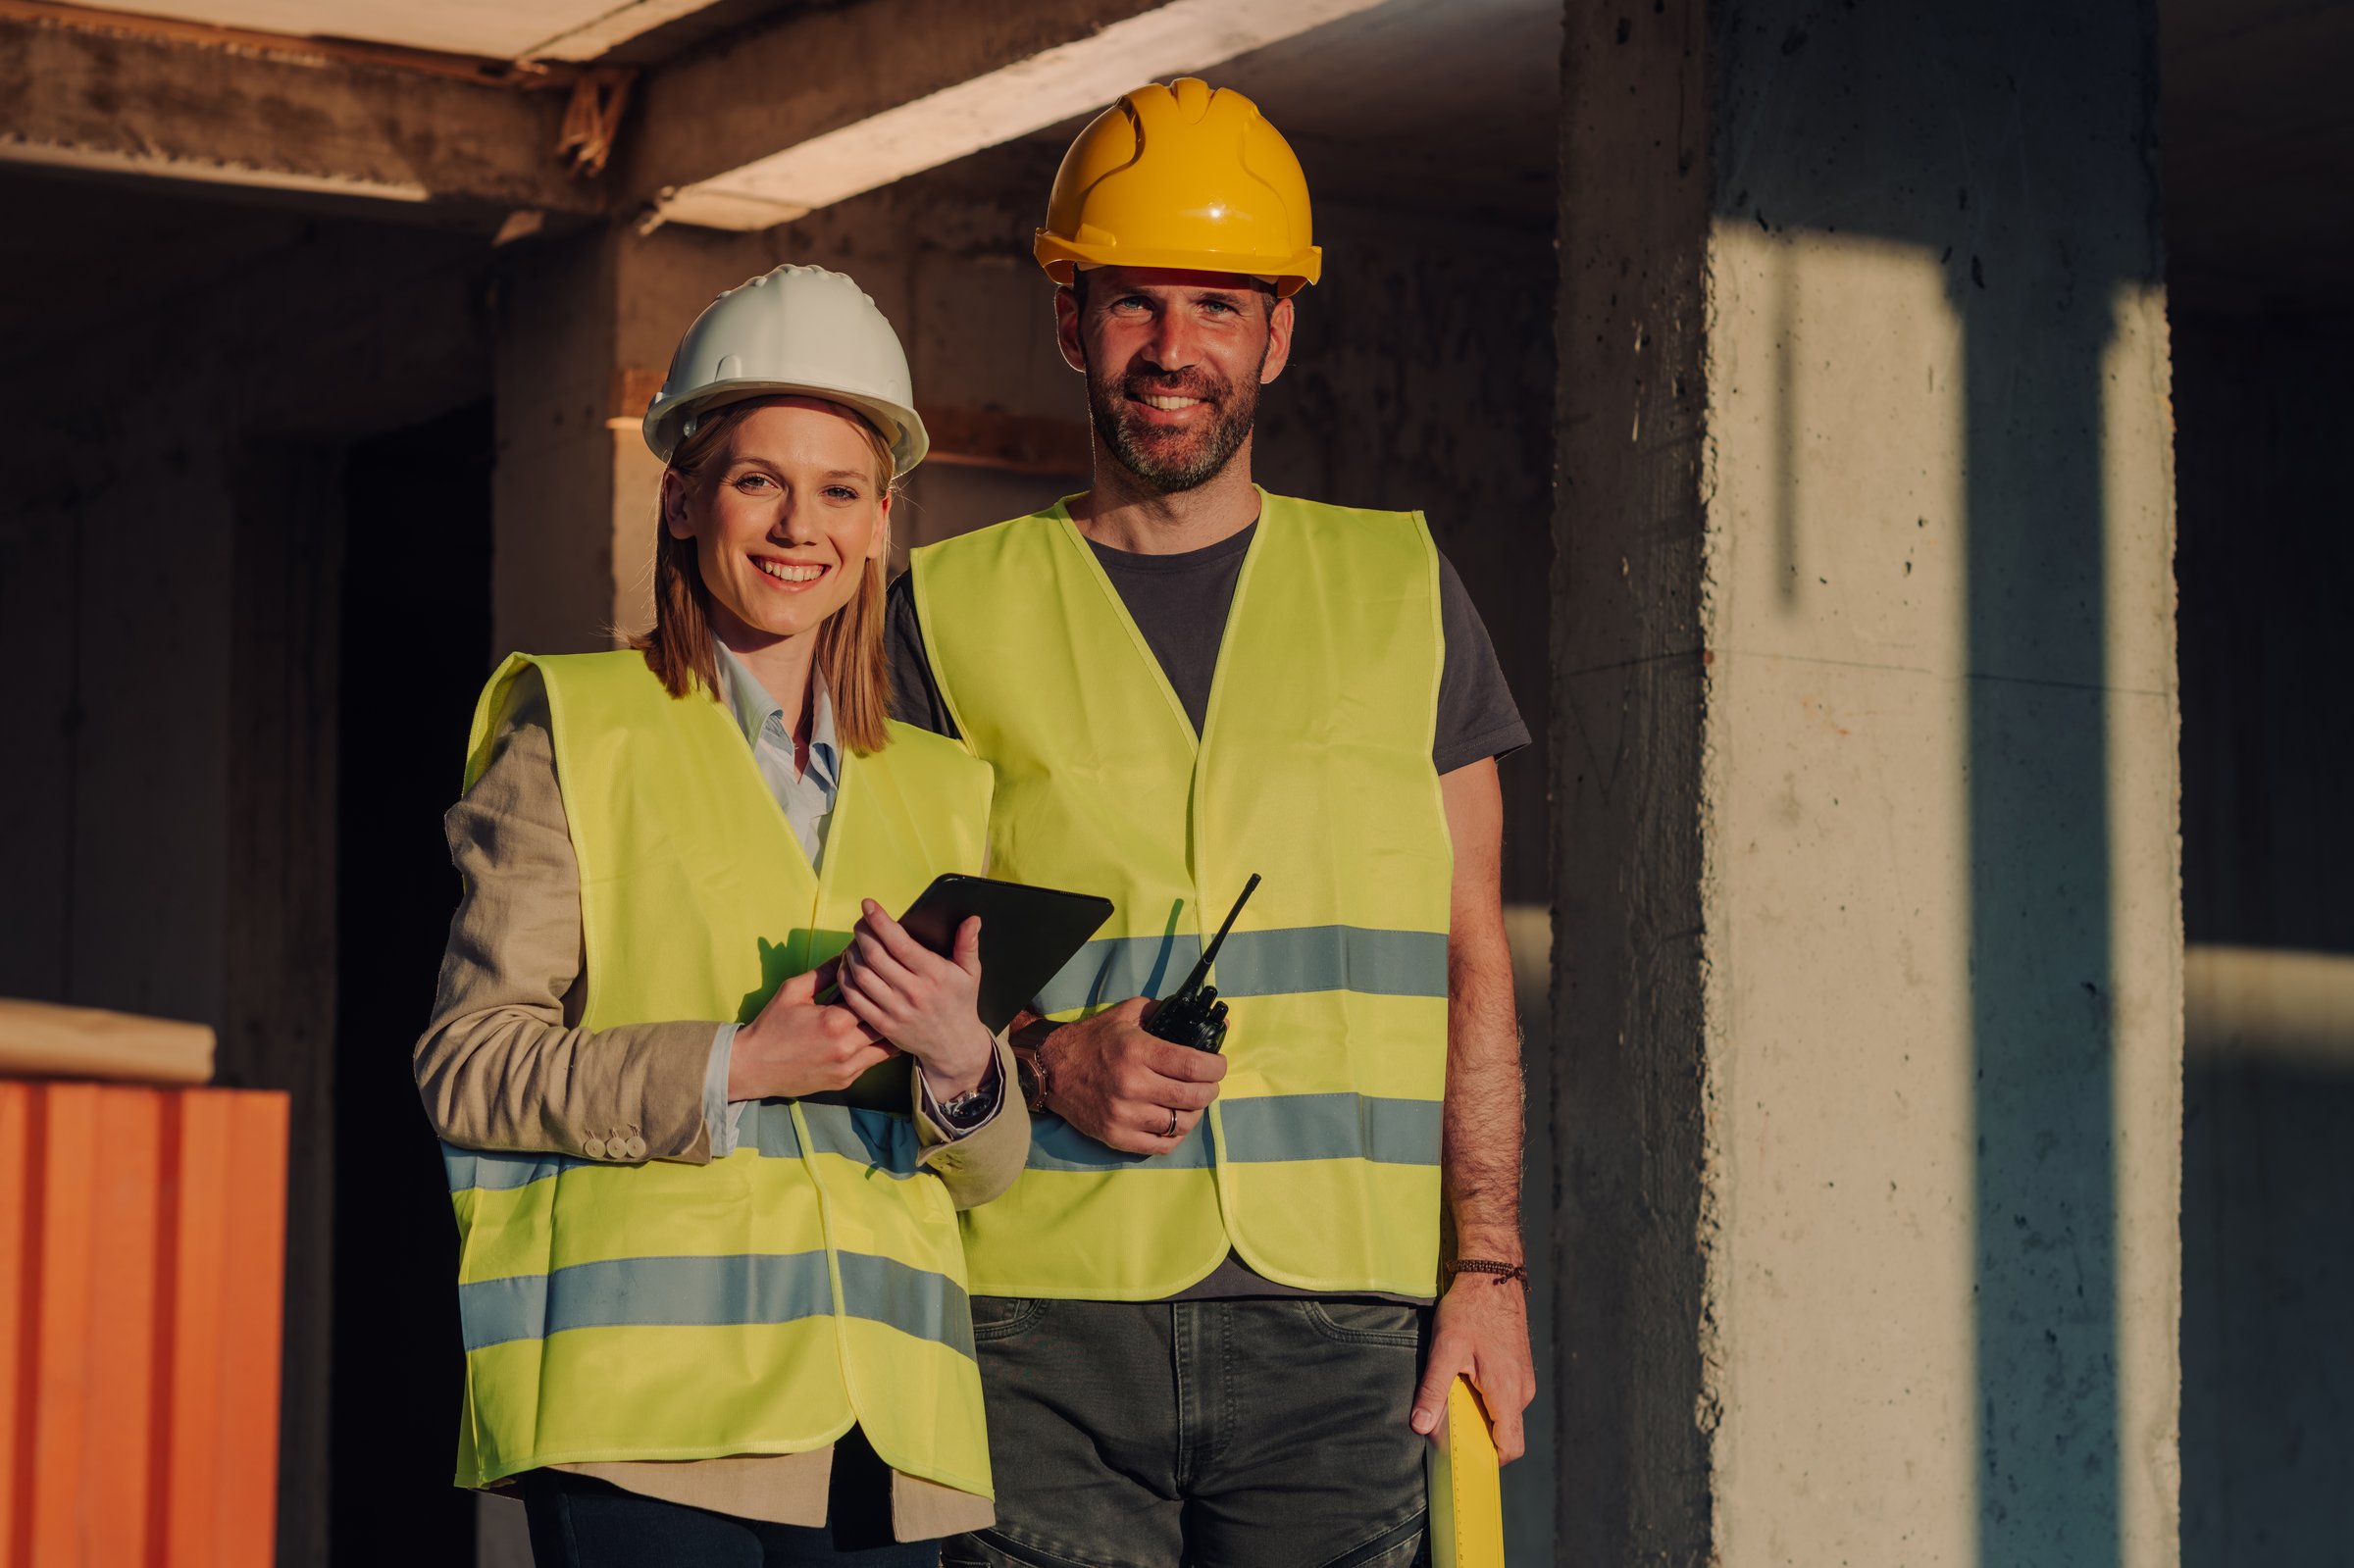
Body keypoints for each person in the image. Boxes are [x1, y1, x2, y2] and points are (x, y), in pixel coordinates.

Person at [887, 78, 1536, 1568]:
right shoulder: (945, 612)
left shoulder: (1402, 592)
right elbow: (898, 974)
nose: (1173, 351)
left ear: (1278, 333)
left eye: (1218, 308)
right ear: (1071, 321)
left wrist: (1486, 1265)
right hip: (1041, 1318)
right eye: (1133, 305)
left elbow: (1470, 963)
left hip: (1344, 1341)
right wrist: (1047, 1064)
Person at [415, 264, 1029, 1568]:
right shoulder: (575, 727)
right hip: (647, 1422)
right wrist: (737, 1064)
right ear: (684, 499)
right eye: (759, 479)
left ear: (878, 527)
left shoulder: (944, 785)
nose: (799, 524)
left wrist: (965, 1063)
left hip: (888, 1433)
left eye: (840, 490)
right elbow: (467, 1067)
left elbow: (984, 1165)